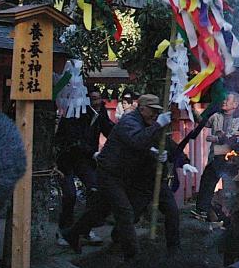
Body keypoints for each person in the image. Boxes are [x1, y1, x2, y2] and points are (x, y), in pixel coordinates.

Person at [63, 94, 176, 257]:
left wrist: (156, 153)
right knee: (125, 212)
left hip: (121, 174)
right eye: (153, 111)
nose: (155, 115)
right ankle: (133, 258)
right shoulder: (130, 121)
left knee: (100, 211)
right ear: (142, 108)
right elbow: (136, 141)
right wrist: (158, 125)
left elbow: (140, 146)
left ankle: (72, 234)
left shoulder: (143, 122)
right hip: (109, 173)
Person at [54, 89, 115, 243]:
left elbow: (109, 130)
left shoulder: (100, 112)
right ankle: (63, 231)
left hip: (85, 160)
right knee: (70, 195)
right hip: (67, 159)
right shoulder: (74, 112)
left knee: (95, 190)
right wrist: (92, 153)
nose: (97, 102)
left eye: (99, 98)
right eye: (93, 99)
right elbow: (72, 139)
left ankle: (85, 229)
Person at [193, 92, 239, 220]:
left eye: (227, 99)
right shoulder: (216, 116)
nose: (224, 101)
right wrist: (192, 109)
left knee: (230, 188)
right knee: (207, 182)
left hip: (232, 158)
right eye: (224, 99)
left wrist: (217, 138)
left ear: (235, 104)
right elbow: (203, 122)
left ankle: (230, 215)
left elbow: (234, 139)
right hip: (215, 156)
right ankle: (201, 211)